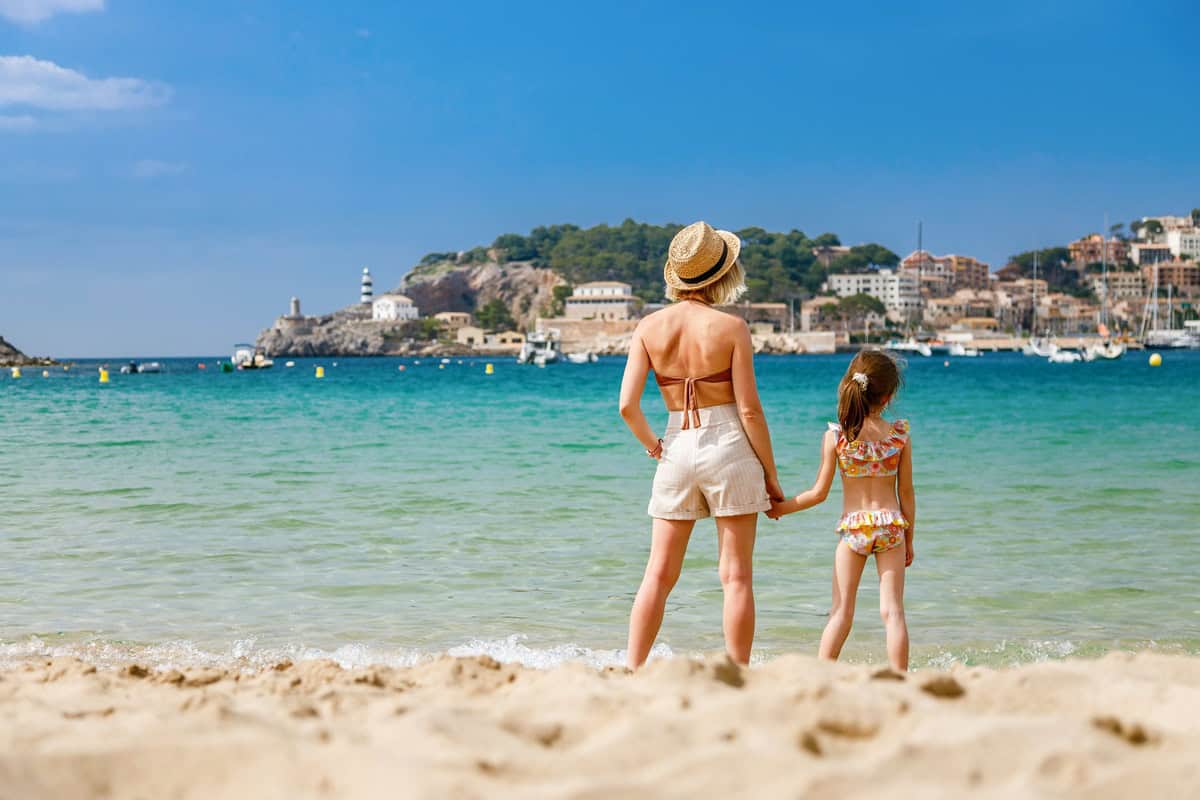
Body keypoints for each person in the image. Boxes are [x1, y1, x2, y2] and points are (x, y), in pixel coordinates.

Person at [619, 221, 784, 670]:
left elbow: (627, 407)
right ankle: (737, 673)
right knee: (735, 577)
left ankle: (633, 668)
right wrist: (770, 475)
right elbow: (749, 410)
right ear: (721, 274)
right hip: (729, 443)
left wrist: (655, 447)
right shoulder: (732, 328)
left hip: (676, 442)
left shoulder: (649, 327)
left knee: (658, 573)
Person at [767, 349, 915, 671]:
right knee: (893, 613)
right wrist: (910, 539)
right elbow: (906, 493)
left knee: (841, 611)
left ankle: (822, 674)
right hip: (891, 526)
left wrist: (781, 508)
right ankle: (901, 678)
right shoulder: (899, 435)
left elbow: (818, 493)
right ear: (888, 397)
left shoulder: (837, 437)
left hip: (854, 528)